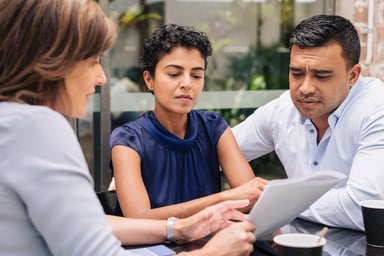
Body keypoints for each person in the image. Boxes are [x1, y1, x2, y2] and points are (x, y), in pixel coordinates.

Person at [0, 1, 258, 255]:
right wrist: (212, 253)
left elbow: (87, 223)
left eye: (197, 75)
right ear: (51, 62)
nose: (101, 77)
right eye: (92, 60)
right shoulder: (36, 128)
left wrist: (178, 228)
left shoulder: (14, 124)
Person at [232, 14, 384, 231]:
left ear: (353, 75)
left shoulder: (377, 111)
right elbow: (219, 150)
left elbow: (363, 209)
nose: (305, 88)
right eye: (296, 73)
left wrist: (278, 201)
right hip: (296, 241)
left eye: (321, 76)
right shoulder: (283, 110)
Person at [109, 24, 268, 220]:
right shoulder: (128, 140)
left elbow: (251, 198)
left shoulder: (214, 127)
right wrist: (224, 198)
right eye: (174, 74)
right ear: (149, 79)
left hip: (211, 242)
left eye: (196, 75)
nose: (187, 84)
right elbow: (139, 217)